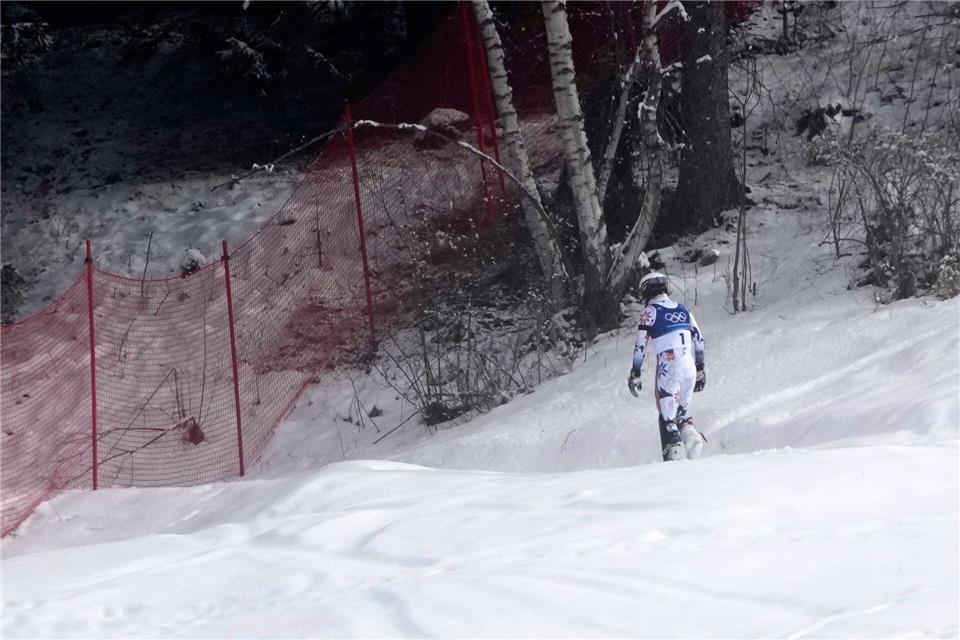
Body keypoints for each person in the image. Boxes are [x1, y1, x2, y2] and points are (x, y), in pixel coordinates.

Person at [627, 272, 707, 461]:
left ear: (645, 291)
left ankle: (674, 455)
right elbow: (699, 339)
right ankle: (691, 437)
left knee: (666, 417)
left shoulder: (650, 312)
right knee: (681, 414)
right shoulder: (683, 309)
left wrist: (635, 372)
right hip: (688, 365)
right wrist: (700, 368)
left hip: (668, 365)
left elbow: (640, 346)